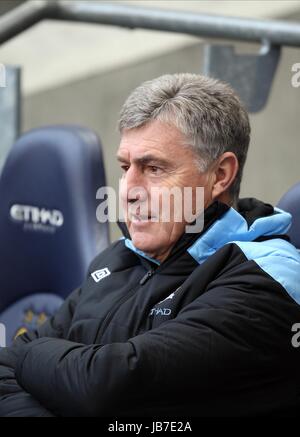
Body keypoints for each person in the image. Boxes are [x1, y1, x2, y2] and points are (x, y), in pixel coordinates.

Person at [0, 73, 300, 417]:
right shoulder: (118, 259)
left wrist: (27, 357)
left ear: (220, 175)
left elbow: (105, 386)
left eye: (153, 168)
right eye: (126, 167)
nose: (128, 189)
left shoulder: (268, 279)